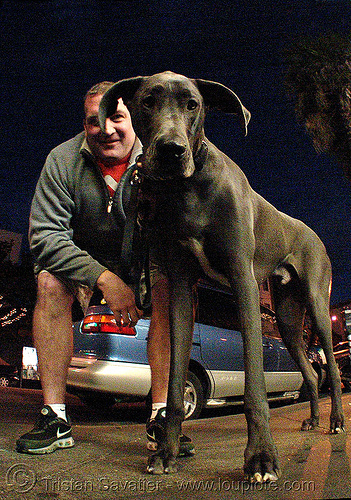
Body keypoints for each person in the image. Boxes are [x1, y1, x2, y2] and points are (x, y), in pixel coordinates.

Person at [16, 82, 193, 456]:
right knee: (48, 280)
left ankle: (162, 415)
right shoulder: (61, 161)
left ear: (135, 120)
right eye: (95, 121)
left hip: (145, 260)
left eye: (116, 117)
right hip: (85, 264)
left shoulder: (160, 158)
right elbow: (45, 238)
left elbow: (182, 227)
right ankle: (55, 416)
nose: (106, 129)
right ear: (84, 124)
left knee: (170, 288)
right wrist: (105, 279)